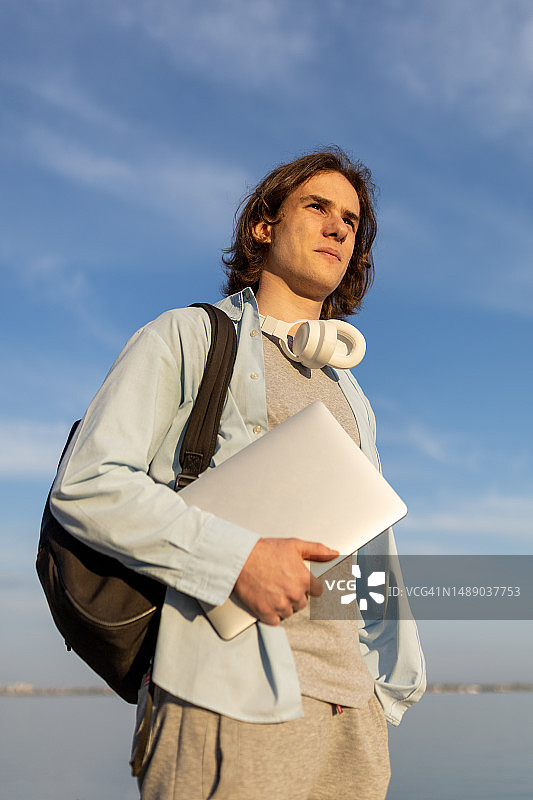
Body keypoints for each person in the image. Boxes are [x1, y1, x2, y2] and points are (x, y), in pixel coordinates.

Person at [50, 147, 425, 800]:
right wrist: (238, 558)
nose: (338, 227)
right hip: (224, 700)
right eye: (316, 206)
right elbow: (89, 483)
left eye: (351, 220)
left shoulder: (351, 397)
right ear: (264, 225)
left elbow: (367, 560)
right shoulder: (185, 338)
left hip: (352, 720)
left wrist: (384, 693)